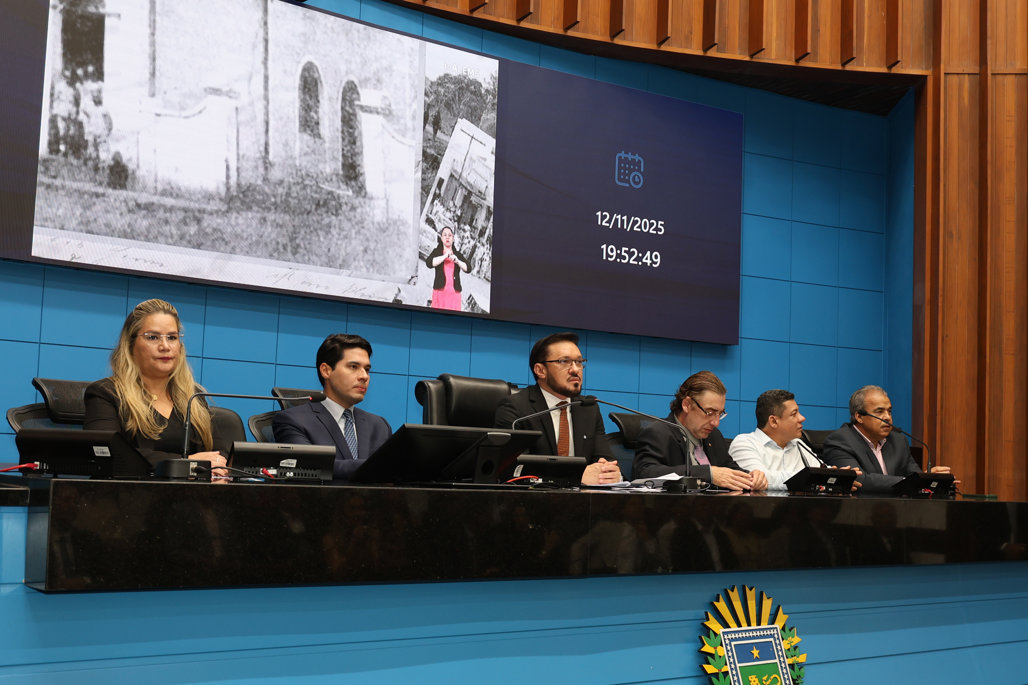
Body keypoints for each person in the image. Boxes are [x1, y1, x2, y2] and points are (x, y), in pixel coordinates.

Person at [84, 299, 229, 474]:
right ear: (130, 345)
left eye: (172, 337)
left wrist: (220, 468)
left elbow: (220, 453)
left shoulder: (193, 396)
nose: (165, 346)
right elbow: (108, 453)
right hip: (130, 489)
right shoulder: (106, 393)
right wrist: (186, 463)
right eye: (153, 337)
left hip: (191, 490)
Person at [493, 332, 622, 485]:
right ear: (541, 370)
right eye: (564, 362)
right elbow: (511, 471)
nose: (575, 369)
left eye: (579, 362)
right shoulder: (516, 408)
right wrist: (574, 478)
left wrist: (610, 473)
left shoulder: (588, 407)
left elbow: (604, 460)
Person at [273, 334, 391, 481]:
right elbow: (309, 466)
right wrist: (379, 467)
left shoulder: (379, 426)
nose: (364, 376)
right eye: (353, 367)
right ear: (326, 371)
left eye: (367, 369)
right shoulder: (293, 420)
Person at [632, 371, 767, 491]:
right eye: (709, 412)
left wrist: (752, 477)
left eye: (720, 414)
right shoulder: (658, 432)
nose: (716, 423)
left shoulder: (714, 436)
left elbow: (729, 469)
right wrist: (707, 473)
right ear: (687, 404)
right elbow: (645, 473)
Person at [822, 385, 953, 491]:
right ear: (859, 417)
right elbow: (858, 480)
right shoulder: (840, 440)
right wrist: (910, 482)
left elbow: (914, 477)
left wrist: (928, 479)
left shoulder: (898, 441)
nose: (887, 417)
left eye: (889, 411)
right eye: (879, 411)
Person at [729, 389, 825, 491]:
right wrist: (808, 477)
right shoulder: (744, 443)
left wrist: (834, 474)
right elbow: (759, 479)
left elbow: (822, 472)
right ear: (773, 421)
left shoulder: (798, 444)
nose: (802, 418)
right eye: (794, 414)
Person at [425, 226, 469, 311]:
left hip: (454, 294)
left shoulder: (457, 254)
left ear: (453, 239)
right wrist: (444, 256)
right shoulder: (437, 251)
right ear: (441, 238)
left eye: (450, 235)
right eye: (445, 235)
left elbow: (468, 268)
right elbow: (429, 263)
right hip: (440, 292)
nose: (447, 237)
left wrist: (458, 261)